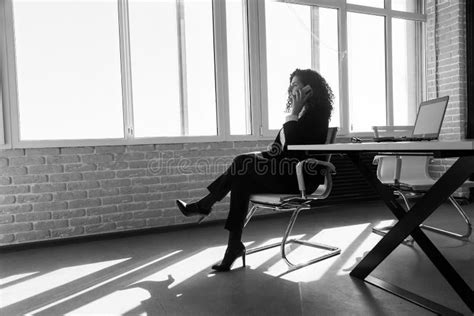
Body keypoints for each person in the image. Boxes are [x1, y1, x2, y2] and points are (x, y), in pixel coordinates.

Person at [176, 68, 334, 272]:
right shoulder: (299, 114)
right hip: (284, 173)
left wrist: (293, 113)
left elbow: (294, 151)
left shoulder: (317, 115)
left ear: (309, 88)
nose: (292, 89)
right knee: (242, 178)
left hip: (301, 178)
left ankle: (204, 205)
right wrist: (259, 156)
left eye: (296, 85)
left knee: (242, 164)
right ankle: (233, 246)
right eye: (291, 85)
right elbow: (278, 150)